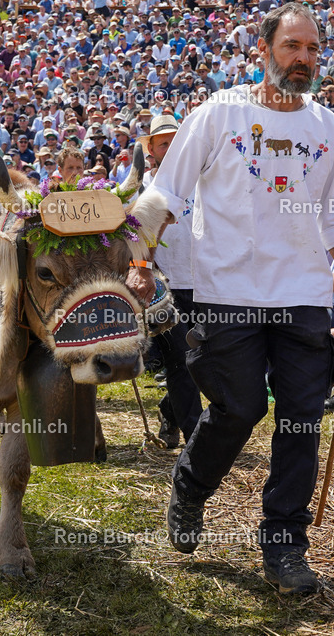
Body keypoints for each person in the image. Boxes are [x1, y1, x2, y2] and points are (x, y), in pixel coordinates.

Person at [128, 3, 334, 595]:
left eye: (312, 49)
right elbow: (163, 196)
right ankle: (190, 486)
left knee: (301, 420)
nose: (304, 59)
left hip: (305, 297)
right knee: (238, 409)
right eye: (292, 47)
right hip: (226, 294)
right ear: (263, 51)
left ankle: (284, 546)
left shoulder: (326, 126)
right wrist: (138, 263)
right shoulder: (216, 114)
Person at [132, 113, 202, 448]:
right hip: (163, 286)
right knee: (180, 358)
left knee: (201, 359)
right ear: (153, 151)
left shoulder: (204, 181)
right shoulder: (143, 190)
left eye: (176, 140)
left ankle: (169, 411)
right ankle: (196, 437)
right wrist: (144, 272)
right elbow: (134, 239)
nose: (171, 147)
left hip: (205, 282)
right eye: (164, 142)